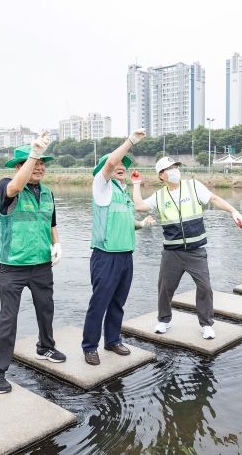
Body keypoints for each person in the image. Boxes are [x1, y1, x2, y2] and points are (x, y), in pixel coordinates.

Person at [0, 134, 66, 394]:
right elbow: (14, 189)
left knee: (46, 309)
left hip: (42, 264)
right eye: (35, 162)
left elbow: (51, 222)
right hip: (13, 266)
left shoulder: (47, 192)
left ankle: (45, 347)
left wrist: (57, 244)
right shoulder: (7, 185)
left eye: (43, 163)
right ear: (20, 166)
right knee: (8, 319)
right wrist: (32, 153)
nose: (40, 167)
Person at [131, 157, 242, 340]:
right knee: (165, 288)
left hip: (196, 251)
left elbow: (214, 198)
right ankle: (164, 320)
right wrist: (136, 184)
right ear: (161, 175)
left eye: (176, 166)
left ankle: (206, 324)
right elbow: (139, 206)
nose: (175, 170)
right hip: (172, 252)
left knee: (205, 287)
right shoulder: (159, 196)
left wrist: (234, 211)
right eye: (170, 168)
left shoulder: (193, 186)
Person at [81, 129, 157, 366]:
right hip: (106, 255)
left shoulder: (123, 194)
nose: (120, 166)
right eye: (115, 165)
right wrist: (131, 141)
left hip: (125, 255)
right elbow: (112, 160)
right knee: (100, 302)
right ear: (106, 170)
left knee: (118, 301)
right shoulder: (101, 188)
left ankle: (112, 340)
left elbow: (126, 222)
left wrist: (141, 224)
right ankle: (90, 346)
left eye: (124, 165)